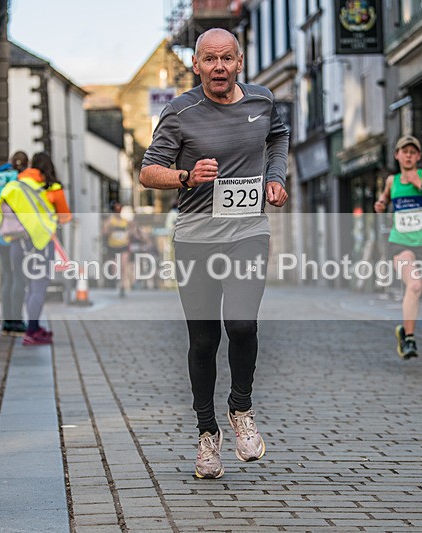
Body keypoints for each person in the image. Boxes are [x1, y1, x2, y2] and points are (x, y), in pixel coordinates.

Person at [139, 28, 289, 480]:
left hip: (248, 231)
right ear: (197, 65)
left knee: (242, 324)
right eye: (209, 59)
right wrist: (186, 176)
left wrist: (275, 177)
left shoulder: (262, 102)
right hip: (196, 237)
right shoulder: (180, 111)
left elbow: (277, 138)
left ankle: (240, 409)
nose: (219, 67)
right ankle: (207, 434)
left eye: (226, 59)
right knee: (204, 340)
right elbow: (148, 172)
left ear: (239, 62)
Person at [374, 135, 422, 359]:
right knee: (415, 285)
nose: (408, 155)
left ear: (417, 156)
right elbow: (382, 202)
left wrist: (421, 185)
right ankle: (409, 339)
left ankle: (404, 331)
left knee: (416, 290)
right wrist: (379, 205)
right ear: (397, 155)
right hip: (400, 242)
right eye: (403, 151)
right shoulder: (392, 181)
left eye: (412, 152)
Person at [0, 152, 72, 346]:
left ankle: (23, 324)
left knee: (21, 283)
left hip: (15, 242)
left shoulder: (14, 186)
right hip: (39, 242)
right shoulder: (51, 188)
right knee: (37, 287)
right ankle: (32, 330)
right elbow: (65, 217)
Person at [0, 151, 29, 336]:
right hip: (16, 237)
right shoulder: (20, 181)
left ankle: (6, 322)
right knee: (19, 278)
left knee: (6, 277)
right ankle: (17, 321)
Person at [102, 201, 131, 296]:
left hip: (123, 246)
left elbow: (131, 231)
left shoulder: (125, 221)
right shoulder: (109, 221)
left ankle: (123, 285)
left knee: (123, 266)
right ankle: (117, 281)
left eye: (120, 209)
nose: (118, 211)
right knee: (114, 268)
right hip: (112, 246)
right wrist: (110, 229)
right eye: (116, 209)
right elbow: (104, 232)